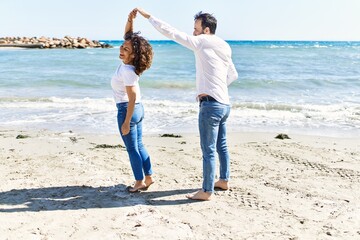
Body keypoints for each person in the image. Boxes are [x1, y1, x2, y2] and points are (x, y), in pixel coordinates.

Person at [136, 8, 238, 200]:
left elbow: (172, 33)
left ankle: (207, 191)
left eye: (196, 28)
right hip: (224, 104)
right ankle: (224, 180)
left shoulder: (202, 42)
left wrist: (149, 17)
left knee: (208, 149)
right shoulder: (225, 45)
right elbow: (233, 74)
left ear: (206, 30)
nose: (193, 32)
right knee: (221, 146)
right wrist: (217, 87)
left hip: (211, 105)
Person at [111, 10, 154, 193]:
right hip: (137, 109)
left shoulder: (128, 72)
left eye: (126, 49)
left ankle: (139, 182)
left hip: (128, 109)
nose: (122, 50)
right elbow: (128, 36)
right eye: (122, 47)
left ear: (134, 55)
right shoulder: (129, 65)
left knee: (132, 149)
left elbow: (132, 97)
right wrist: (130, 20)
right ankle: (149, 176)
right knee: (139, 145)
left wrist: (126, 121)